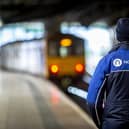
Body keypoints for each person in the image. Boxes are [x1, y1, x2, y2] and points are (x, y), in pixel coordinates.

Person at [87, 18, 129, 129]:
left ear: (117, 36)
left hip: (113, 123)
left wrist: (101, 123)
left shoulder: (107, 61)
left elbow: (93, 101)